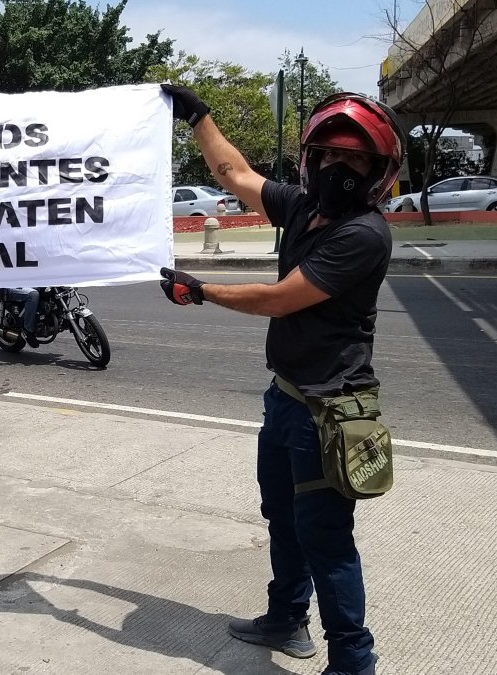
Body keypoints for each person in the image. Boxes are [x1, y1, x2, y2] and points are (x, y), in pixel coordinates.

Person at [158, 86, 405, 675]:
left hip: (332, 410)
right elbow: (235, 173)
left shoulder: (363, 234)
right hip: (286, 397)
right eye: (329, 154)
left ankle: (353, 661)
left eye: (354, 159)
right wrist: (198, 115)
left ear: (377, 172)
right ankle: (286, 618)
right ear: (310, 159)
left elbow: (279, 299)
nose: (338, 167)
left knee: (326, 537)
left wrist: (202, 290)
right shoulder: (300, 207)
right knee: (283, 517)